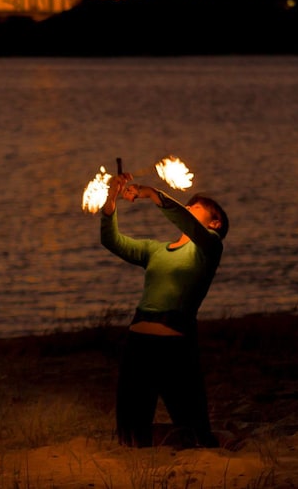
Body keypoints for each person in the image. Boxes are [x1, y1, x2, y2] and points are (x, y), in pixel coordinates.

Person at [100, 172, 229, 449]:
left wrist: (152, 193)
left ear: (214, 223)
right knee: (130, 433)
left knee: (194, 428)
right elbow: (112, 241)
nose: (186, 210)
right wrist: (112, 197)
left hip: (175, 348)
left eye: (193, 208)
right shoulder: (155, 250)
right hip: (138, 347)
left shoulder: (209, 249)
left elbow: (186, 222)